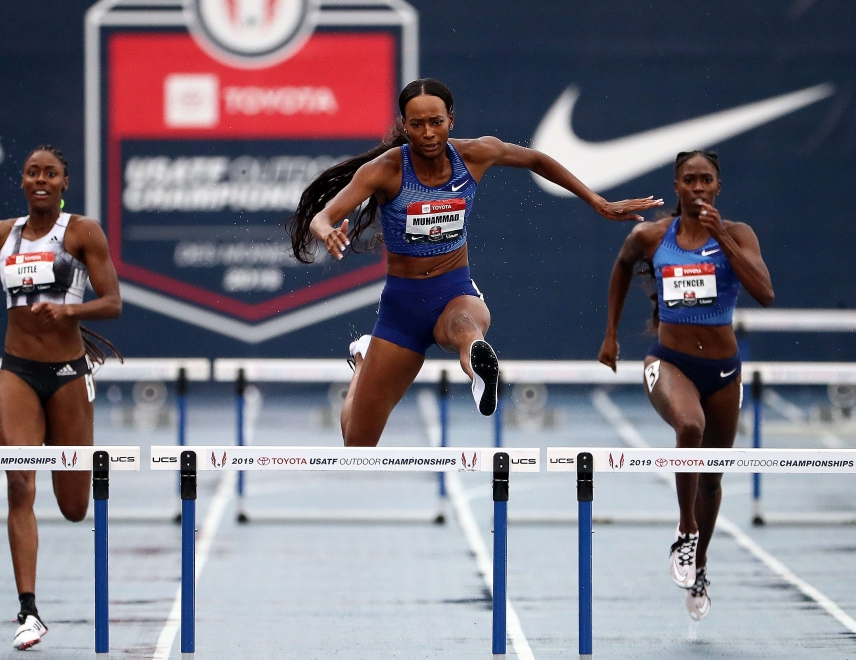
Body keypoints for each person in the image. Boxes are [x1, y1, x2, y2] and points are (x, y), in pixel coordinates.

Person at [288, 78, 663, 447]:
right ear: (405, 126)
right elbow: (325, 214)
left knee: (467, 326)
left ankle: (478, 366)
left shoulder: (476, 154)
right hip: (402, 307)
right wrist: (324, 230)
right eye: (417, 125)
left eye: (436, 122)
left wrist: (596, 201)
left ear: (451, 119)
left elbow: (536, 159)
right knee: (358, 443)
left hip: (454, 289)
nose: (429, 133)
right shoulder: (386, 169)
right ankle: (364, 358)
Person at [0, 145, 122, 650]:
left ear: (64, 183)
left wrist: (71, 314)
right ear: (23, 181)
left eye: (50, 173)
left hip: (68, 374)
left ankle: (70, 476)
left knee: (75, 506)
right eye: (33, 172)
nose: (41, 179)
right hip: (17, 373)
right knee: (19, 486)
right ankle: (29, 611)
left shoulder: (82, 233)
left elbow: (113, 303)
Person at [597, 150, 774, 620]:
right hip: (668, 361)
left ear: (718, 187)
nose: (698, 187)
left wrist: (721, 238)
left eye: (706, 180)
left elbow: (765, 293)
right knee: (689, 428)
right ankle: (685, 531)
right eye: (689, 180)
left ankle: (699, 565)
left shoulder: (737, 235)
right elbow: (620, 265)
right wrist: (611, 334)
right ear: (676, 186)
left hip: (723, 373)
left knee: (711, 478)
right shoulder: (652, 236)